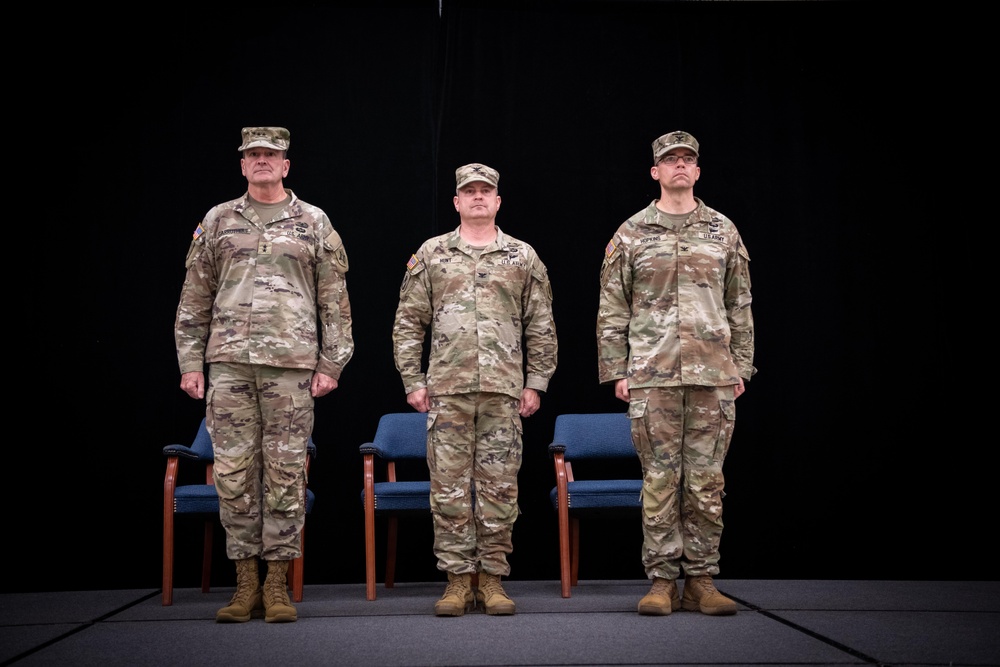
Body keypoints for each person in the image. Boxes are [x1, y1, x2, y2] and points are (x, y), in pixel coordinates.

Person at [175, 126, 354, 623]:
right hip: (228, 364)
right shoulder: (217, 220)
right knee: (232, 474)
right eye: (252, 154)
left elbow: (334, 300)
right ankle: (244, 584)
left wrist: (332, 362)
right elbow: (194, 298)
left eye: (270, 155)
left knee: (285, 473)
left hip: (292, 368)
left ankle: (277, 584)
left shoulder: (313, 221)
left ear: (286, 165)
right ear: (241, 164)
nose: (261, 161)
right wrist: (191, 362)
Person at [597, 131, 756, 617]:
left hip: (713, 375)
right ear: (656, 172)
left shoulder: (723, 231)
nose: (680, 166)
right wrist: (616, 370)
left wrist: (741, 365)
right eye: (671, 161)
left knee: (706, 481)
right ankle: (662, 581)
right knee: (661, 480)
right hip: (653, 373)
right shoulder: (631, 232)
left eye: (688, 159)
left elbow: (740, 303)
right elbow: (612, 306)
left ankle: (702, 579)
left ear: (698, 170)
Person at [392, 162, 558, 617]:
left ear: (498, 201)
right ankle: (456, 582)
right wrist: (413, 380)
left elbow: (540, 325)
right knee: (447, 490)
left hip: (504, 391)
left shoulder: (522, 256)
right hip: (447, 390)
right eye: (470, 192)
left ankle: (493, 580)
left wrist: (536, 383)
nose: (479, 197)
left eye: (487, 191)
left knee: (500, 490)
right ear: (457, 202)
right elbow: (409, 322)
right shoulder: (431, 253)